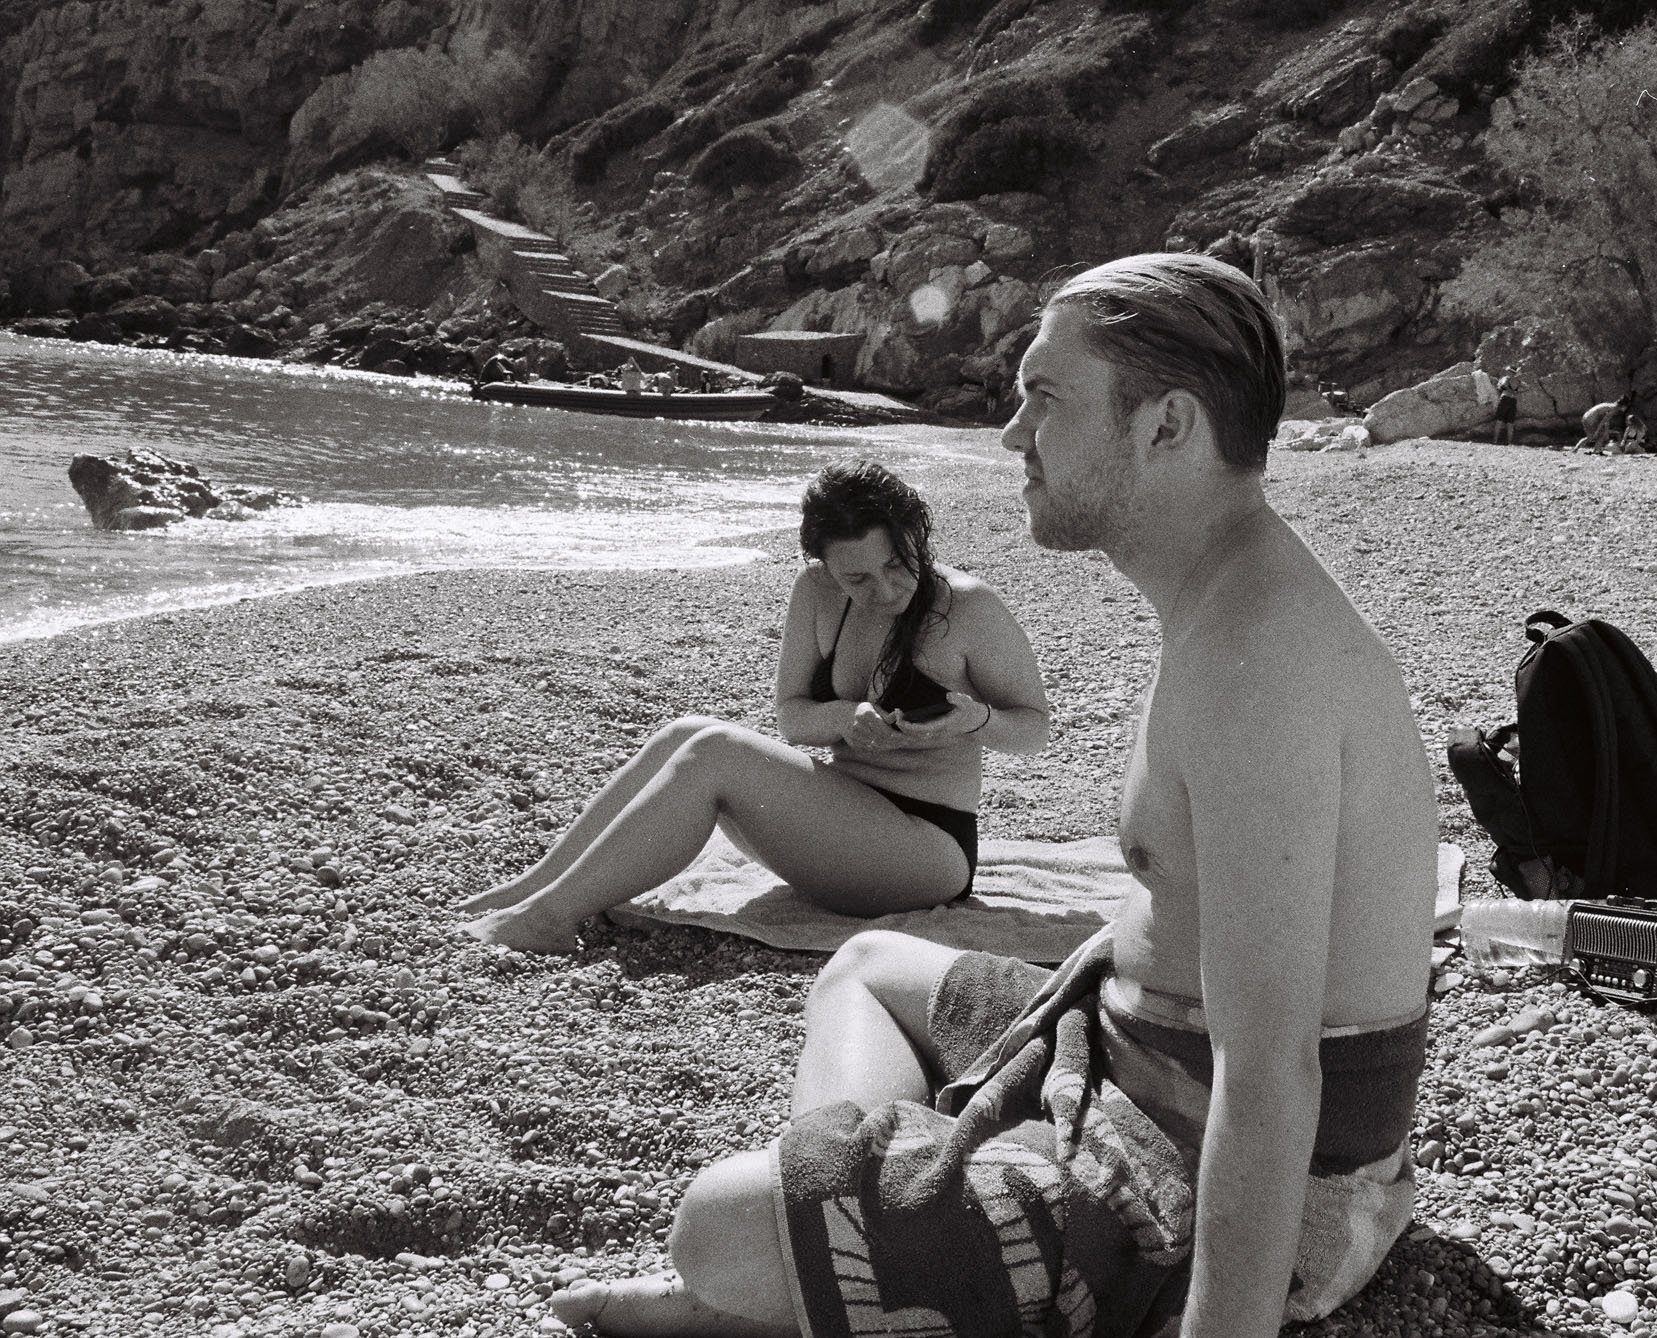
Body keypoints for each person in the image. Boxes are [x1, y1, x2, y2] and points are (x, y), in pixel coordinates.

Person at [551, 253, 1437, 1338]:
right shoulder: (1220, 601)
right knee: (866, 964)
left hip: (1213, 1159)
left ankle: (825, 1274)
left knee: (718, 1230)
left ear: (1165, 427)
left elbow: (1268, 1073)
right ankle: (874, 1232)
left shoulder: (1261, 660)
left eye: (1043, 398)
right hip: (1130, 1047)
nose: (1012, 436)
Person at [459, 460, 1049, 952]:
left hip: (927, 850)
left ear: (915, 535)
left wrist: (978, 719)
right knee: (684, 732)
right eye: (858, 579)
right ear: (825, 567)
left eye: (897, 563)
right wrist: (845, 719)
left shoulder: (969, 609)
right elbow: (793, 717)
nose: (887, 590)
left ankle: (549, 919)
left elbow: (1036, 731)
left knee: (714, 751)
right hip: (834, 823)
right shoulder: (817, 593)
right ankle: (532, 889)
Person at [1492, 373, 1518, 445]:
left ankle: (1495, 441)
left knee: (1499, 421)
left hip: (1505, 398)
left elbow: (1503, 385)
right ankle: (1509, 442)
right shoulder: (1518, 380)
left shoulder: (1506, 378)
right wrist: (1516, 390)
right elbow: (1526, 387)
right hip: (1513, 400)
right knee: (1510, 423)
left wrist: (1502, 386)